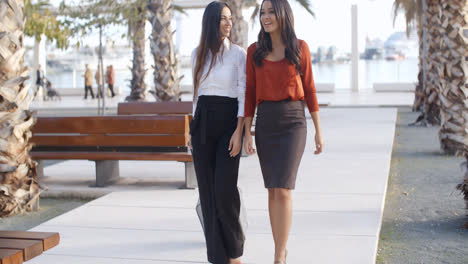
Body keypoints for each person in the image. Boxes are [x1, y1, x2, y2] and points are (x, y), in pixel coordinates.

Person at [243, 0, 324, 263]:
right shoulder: (254, 51)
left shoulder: (300, 48)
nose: (265, 17)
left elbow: (310, 90)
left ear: (282, 14)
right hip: (266, 122)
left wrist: (318, 131)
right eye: (262, 13)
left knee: (284, 188)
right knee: (272, 188)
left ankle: (279, 254)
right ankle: (280, 247)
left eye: (270, 12)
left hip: (293, 122)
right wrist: (246, 131)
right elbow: (250, 94)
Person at [189, 1, 246, 263]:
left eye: (230, 18)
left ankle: (234, 253)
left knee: (224, 190)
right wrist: (192, 131)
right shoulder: (197, 53)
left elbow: (243, 95)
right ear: (211, 21)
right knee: (208, 193)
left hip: (228, 123)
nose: (228, 22)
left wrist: (240, 131)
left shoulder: (238, 54)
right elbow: (196, 95)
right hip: (202, 123)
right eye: (223, 18)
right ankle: (217, 257)